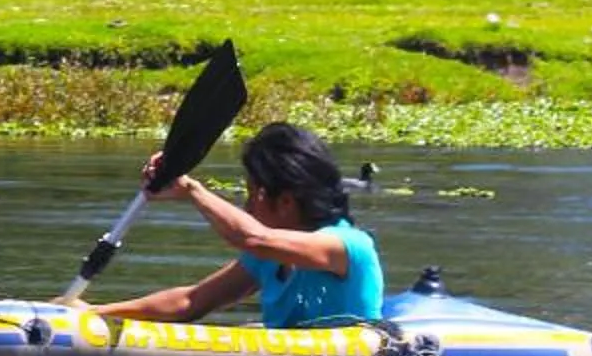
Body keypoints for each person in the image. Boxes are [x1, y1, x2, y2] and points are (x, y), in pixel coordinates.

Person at [94, 121, 385, 327]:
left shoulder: (345, 246)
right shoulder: (267, 259)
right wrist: (95, 313)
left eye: (251, 194)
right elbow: (191, 301)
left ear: (285, 201)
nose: (246, 207)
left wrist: (193, 191)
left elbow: (252, 238)